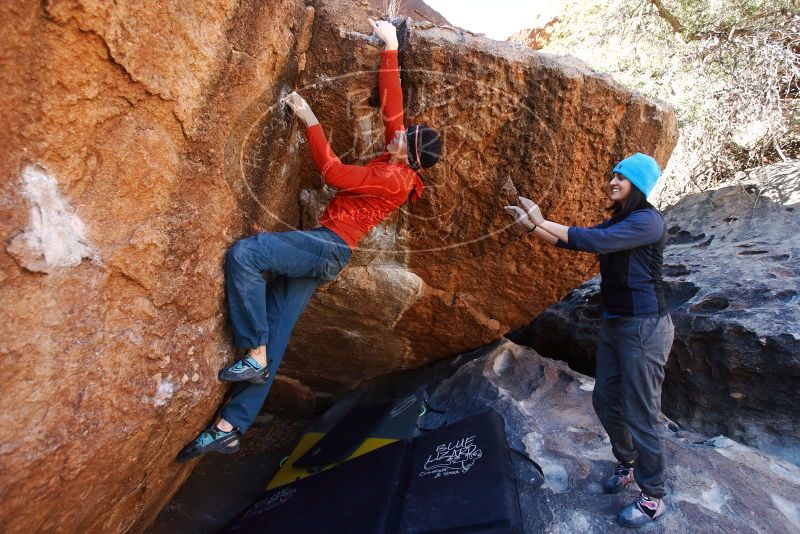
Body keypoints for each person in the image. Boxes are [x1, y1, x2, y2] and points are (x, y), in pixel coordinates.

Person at [177, 18, 442, 463]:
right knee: (279, 337)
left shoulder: (394, 178)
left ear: (410, 156)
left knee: (246, 254)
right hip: (325, 251)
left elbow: (334, 174)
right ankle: (230, 427)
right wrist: (391, 46)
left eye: (404, 138)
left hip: (327, 247)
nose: (397, 132)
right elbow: (392, 107)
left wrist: (310, 120)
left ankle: (253, 350)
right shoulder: (396, 156)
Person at [504, 153, 674, 528]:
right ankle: (627, 463)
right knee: (605, 399)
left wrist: (541, 219)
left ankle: (653, 496)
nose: (613, 181)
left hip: (644, 329)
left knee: (641, 411)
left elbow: (595, 239)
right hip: (617, 325)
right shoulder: (625, 219)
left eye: (622, 178)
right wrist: (532, 226)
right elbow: (580, 242)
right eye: (613, 175)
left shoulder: (648, 221)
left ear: (639, 186)